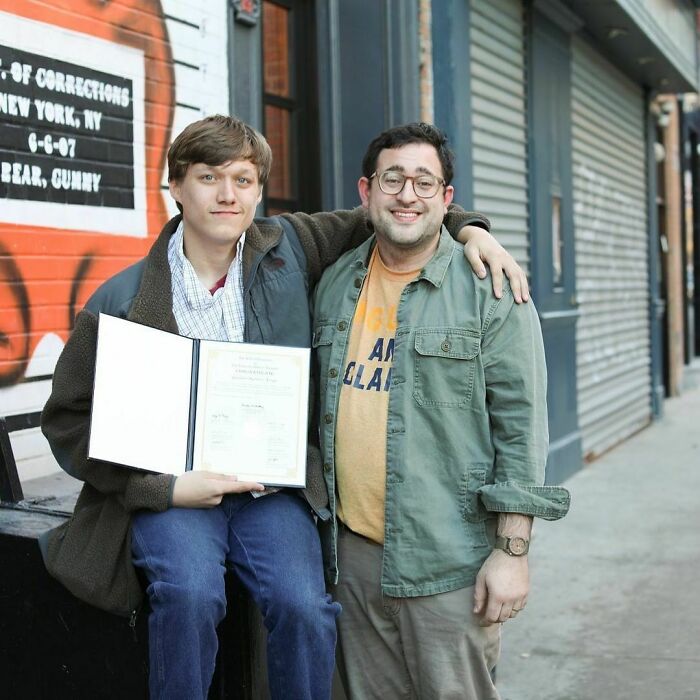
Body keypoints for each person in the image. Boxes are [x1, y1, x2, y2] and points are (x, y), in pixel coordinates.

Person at [40, 115, 526, 700]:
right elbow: (69, 419)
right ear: (175, 186)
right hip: (176, 492)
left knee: (305, 606)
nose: (227, 195)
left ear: (259, 189)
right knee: (190, 594)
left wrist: (473, 230)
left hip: (269, 489)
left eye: (243, 179)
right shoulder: (119, 298)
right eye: (208, 177)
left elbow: (398, 210)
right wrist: (162, 490)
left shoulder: (289, 248)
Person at [313, 122, 571, 700]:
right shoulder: (332, 285)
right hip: (351, 556)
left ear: (447, 199)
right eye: (393, 179)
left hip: (448, 558)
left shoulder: (492, 288)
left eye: (425, 182)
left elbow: (522, 427)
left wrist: (512, 554)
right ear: (366, 190)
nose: (408, 194)